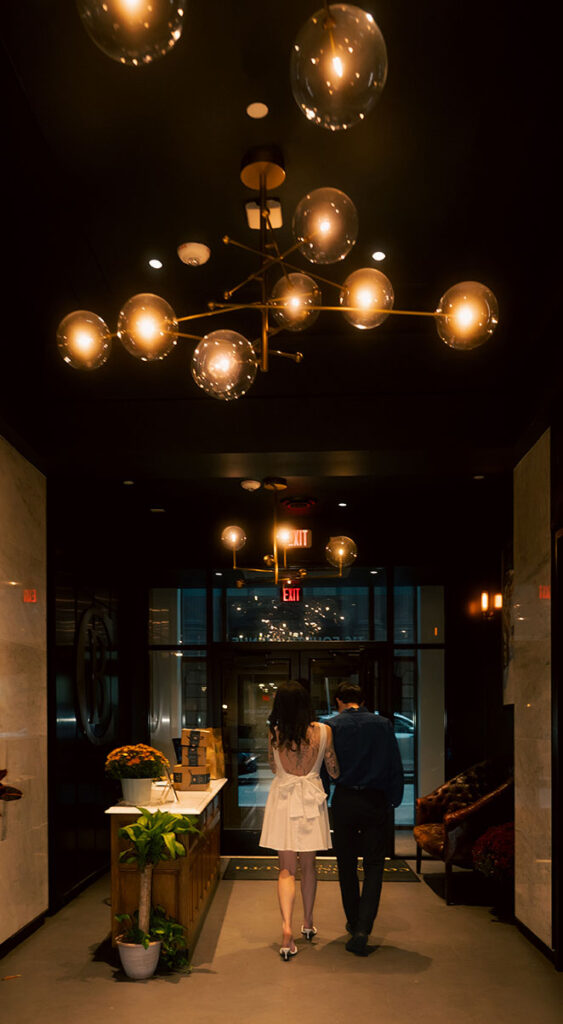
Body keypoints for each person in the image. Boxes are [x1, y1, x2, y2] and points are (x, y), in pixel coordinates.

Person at [259, 680, 340, 960]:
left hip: (283, 798)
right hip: (311, 799)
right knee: (309, 865)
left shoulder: (274, 733)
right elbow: (334, 770)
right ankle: (307, 921)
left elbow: (272, 767)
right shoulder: (324, 731)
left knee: (286, 869)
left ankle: (285, 929)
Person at [330, 681, 404, 956]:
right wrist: (394, 798)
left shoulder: (332, 726)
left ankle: (353, 920)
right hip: (375, 800)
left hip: (345, 799)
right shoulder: (383, 724)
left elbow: (328, 765)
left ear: (339, 700)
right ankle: (363, 927)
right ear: (362, 699)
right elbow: (393, 763)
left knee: (346, 864)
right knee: (374, 865)